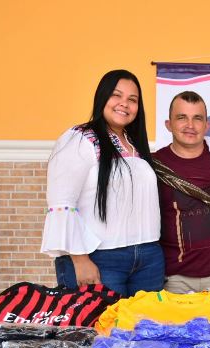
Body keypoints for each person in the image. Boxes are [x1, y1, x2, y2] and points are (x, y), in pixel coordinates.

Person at [41, 69, 165, 297]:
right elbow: (61, 202)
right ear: (102, 97)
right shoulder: (80, 138)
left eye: (132, 99)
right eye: (116, 95)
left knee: (146, 321)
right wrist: (80, 259)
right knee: (100, 321)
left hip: (148, 258)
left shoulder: (135, 143)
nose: (124, 104)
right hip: (100, 258)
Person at [153, 91, 210, 296]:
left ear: (207, 125)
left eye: (197, 118)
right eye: (182, 117)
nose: (190, 125)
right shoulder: (155, 164)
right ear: (168, 124)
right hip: (176, 278)